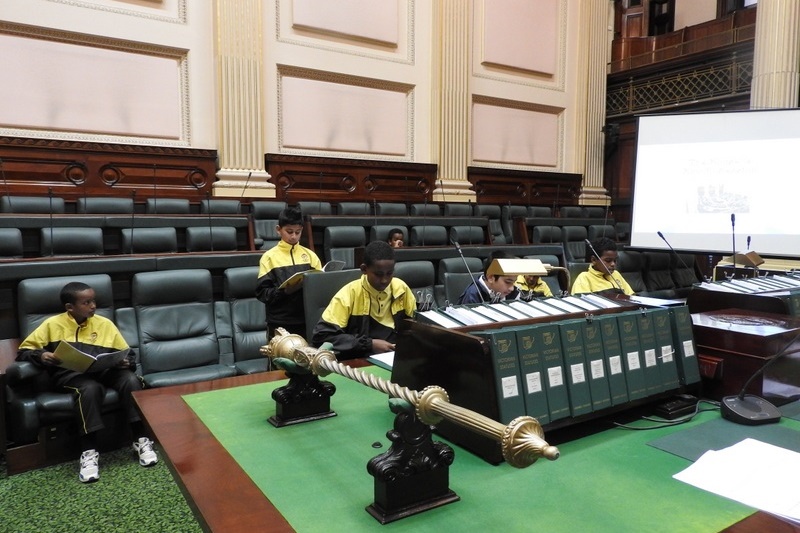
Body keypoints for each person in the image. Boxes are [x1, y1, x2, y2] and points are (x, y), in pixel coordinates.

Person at [16, 282, 157, 483]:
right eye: (86, 302)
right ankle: (89, 451)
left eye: (94, 301)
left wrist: (126, 362)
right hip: (71, 374)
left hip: (103, 370)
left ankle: (141, 439)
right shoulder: (52, 324)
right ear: (69, 307)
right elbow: (24, 351)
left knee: (130, 380)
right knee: (89, 388)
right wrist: (42, 355)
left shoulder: (104, 323)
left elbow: (127, 352)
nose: (93, 306)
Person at [312, 240, 416, 360]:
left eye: (389, 273)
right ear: (364, 269)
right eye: (378, 274)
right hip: (360, 359)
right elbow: (322, 336)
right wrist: (369, 344)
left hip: (395, 358)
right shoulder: (349, 293)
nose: (384, 280)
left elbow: (414, 326)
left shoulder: (401, 288)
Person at [256, 206, 322, 339]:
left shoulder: (310, 255)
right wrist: (284, 292)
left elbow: (319, 288)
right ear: (278, 230)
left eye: (298, 232)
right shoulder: (269, 257)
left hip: (306, 319)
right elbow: (263, 294)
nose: (293, 236)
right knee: (279, 359)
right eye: (289, 231)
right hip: (280, 322)